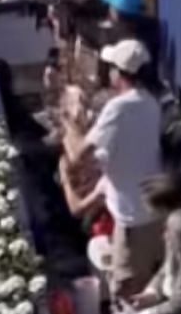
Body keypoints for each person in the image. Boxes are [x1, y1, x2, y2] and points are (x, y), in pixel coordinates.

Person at [57, 39, 167, 300]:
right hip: (150, 214)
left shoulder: (118, 107)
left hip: (133, 222)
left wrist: (67, 121)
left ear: (120, 72)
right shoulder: (150, 103)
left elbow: (77, 156)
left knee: (127, 294)